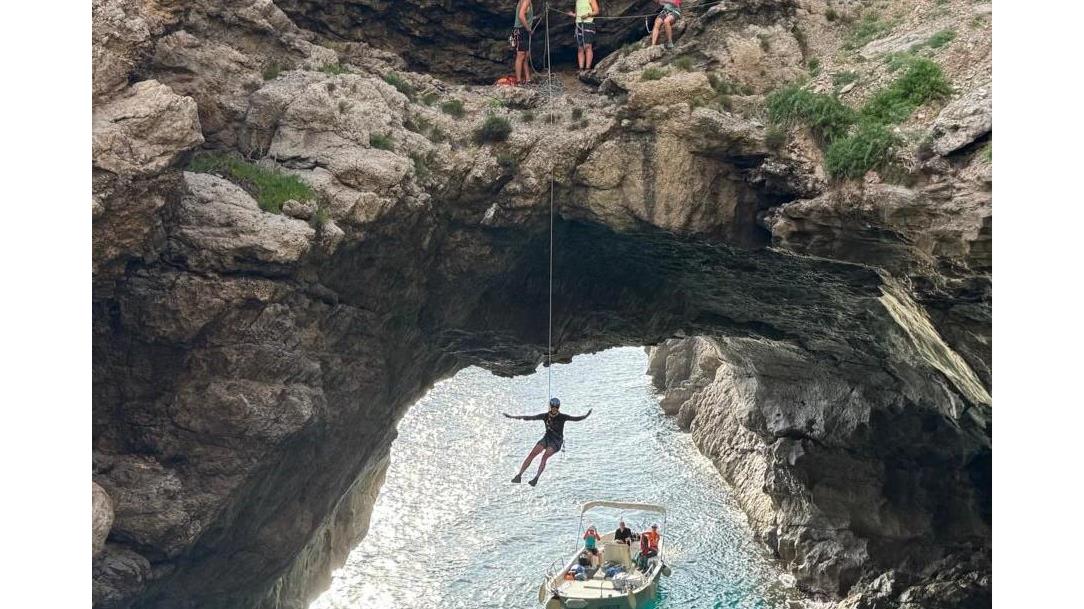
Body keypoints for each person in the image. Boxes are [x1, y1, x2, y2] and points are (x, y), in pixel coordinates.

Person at [503, 397, 592, 486]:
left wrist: (585, 416)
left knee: (544, 457)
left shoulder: (562, 417)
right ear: (550, 406)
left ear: (558, 407)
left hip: (556, 441)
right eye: (553, 407)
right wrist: (512, 417)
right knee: (532, 454)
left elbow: (575, 419)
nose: (554, 409)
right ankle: (519, 476)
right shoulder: (545, 416)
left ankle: (536, 478)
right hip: (547, 438)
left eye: (556, 407)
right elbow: (529, 417)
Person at [566, 0, 600, 76]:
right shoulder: (577, 1)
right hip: (578, 24)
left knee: (587, 46)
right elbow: (577, 14)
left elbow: (596, 11)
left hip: (588, 24)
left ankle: (587, 68)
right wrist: (572, 14)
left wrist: (588, 14)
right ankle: (581, 68)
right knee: (580, 47)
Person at [512, 0, 535, 85]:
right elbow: (521, 15)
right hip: (521, 30)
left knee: (526, 55)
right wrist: (528, 29)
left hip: (523, 31)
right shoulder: (526, 0)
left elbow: (526, 15)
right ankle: (518, 81)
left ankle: (528, 79)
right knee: (521, 55)